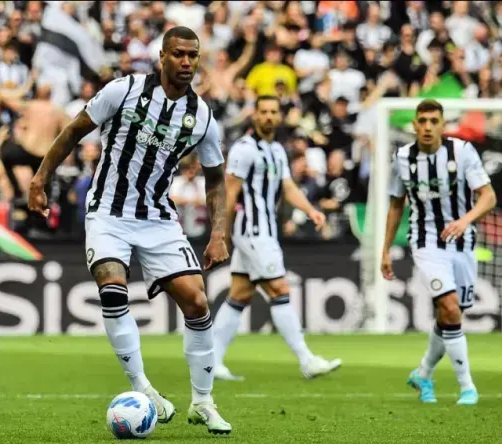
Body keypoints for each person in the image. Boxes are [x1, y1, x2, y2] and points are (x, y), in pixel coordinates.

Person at [29, 26, 232, 435]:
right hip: (107, 211)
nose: (187, 63)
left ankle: (203, 401)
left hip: (157, 217)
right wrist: (40, 178)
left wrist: (218, 233)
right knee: (112, 288)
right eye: (179, 54)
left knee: (196, 302)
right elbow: (73, 130)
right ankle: (144, 388)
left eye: (193, 55)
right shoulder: (123, 91)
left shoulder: (202, 117)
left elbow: (215, 179)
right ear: (161, 56)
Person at [213, 96, 342, 381]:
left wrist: (311, 210)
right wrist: (220, 233)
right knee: (280, 290)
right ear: (255, 115)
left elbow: (287, 187)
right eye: (263, 112)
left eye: (273, 112)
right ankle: (306, 360)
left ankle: (211, 361)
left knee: (240, 294)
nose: (269, 117)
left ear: (279, 117)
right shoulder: (244, 149)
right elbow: (229, 191)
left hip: (266, 230)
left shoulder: (277, 150)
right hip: (252, 231)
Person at [382, 99, 497, 406]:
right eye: (422, 121)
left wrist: (465, 220)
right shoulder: (402, 158)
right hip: (425, 242)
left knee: (451, 314)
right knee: (448, 305)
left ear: (443, 124)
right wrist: (385, 250)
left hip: (462, 242)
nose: (428, 127)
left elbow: (488, 198)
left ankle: (423, 373)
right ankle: (467, 387)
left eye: (434, 120)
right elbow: (395, 205)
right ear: (415, 125)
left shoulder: (462, 152)